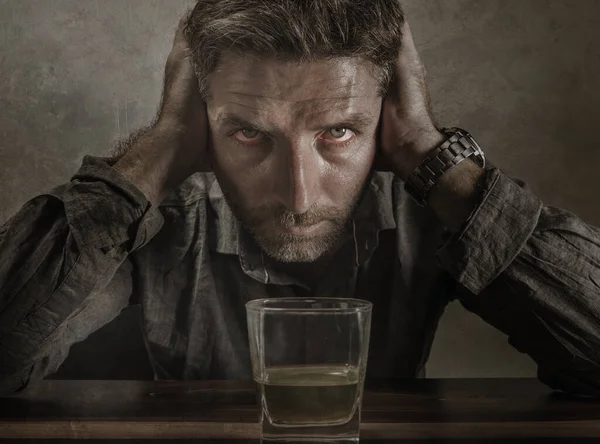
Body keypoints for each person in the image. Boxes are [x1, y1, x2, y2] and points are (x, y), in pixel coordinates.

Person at [1, 0, 599, 397]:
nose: (299, 194)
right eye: (248, 133)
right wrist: (158, 148)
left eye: (338, 131)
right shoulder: (161, 218)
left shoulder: (434, 212)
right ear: (202, 122)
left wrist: (429, 153)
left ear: (384, 121)